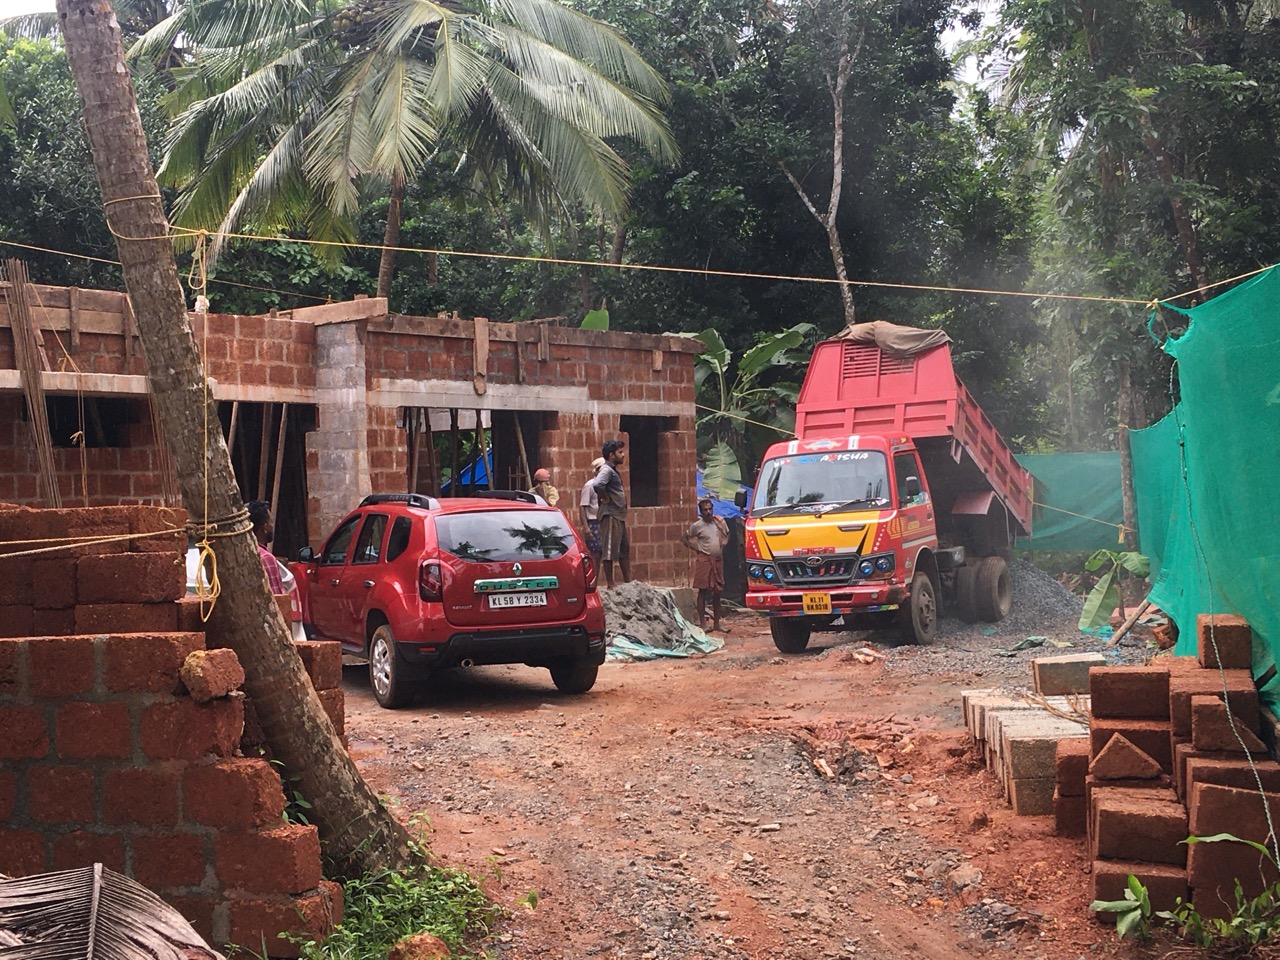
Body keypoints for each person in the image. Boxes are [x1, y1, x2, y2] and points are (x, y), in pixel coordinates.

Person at [681, 497, 731, 632]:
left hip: (718, 559)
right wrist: (696, 548)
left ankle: (717, 624)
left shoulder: (719, 522)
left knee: (717, 592)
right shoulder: (697, 526)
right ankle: (703, 623)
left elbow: (727, 535)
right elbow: (685, 538)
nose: (708, 512)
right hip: (704, 560)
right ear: (701, 512)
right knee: (702, 591)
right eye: (705, 510)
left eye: (710, 509)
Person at [590, 439, 631, 587]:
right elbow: (598, 484)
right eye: (620, 452)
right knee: (609, 550)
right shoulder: (606, 470)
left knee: (623, 549)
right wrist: (604, 497)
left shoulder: (612, 470)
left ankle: (628, 582)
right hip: (610, 514)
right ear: (611, 455)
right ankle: (611, 583)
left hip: (618, 515)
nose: (623, 455)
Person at [246, 500, 285, 594]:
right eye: (270, 521)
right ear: (264, 528)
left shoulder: (242, 553)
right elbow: (277, 597)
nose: (272, 525)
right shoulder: (266, 558)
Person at [579, 457, 605, 569]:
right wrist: (586, 527)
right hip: (593, 522)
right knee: (595, 553)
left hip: (604, 521)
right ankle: (594, 580)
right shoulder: (590, 485)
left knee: (603, 553)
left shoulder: (606, 484)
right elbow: (582, 507)